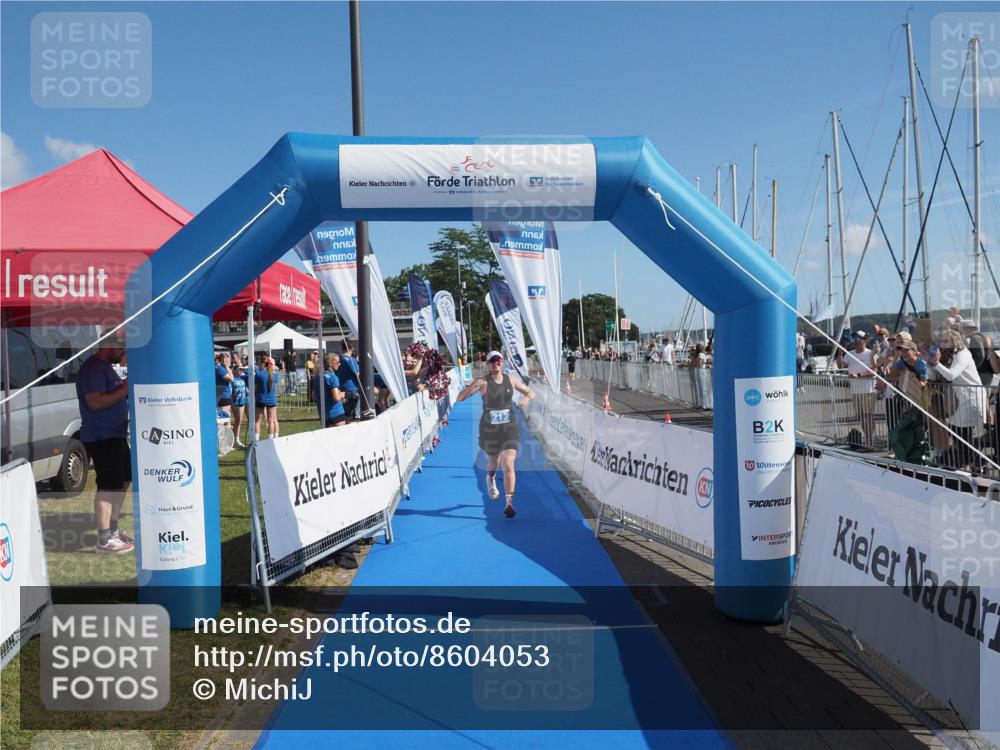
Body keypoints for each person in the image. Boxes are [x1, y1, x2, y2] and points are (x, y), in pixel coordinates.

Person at [456, 351, 534, 519]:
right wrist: (465, 391)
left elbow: (530, 392)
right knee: (493, 462)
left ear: (502, 362)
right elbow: (461, 397)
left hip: (509, 427)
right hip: (489, 429)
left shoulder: (511, 380)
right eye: (491, 361)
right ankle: (490, 478)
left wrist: (525, 400)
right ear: (487, 364)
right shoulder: (482, 382)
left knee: (508, 464)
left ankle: (509, 503)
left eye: (498, 360)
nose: (495, 363)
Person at [76, 341, 133, 554]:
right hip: (102, 436)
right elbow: (95, 402)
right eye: (122, 348)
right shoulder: (93, 369)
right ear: (110, 345)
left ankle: (113, 530)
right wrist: (125, 387)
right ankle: (104, 538)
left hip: (115, 435)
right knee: (108, 485)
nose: (123, 353)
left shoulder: (105, 367)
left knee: (124, 479)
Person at [928, 329, 987, 470]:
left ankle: (969, 465)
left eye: (946, 341)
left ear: (955, 341)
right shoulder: (950, 355)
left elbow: (951, 375)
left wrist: (936, 363)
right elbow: (937, 375)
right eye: (942, 341)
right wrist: (930, 363)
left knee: (964, 434)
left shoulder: (963, 354)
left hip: (970, 397)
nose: (943, 343)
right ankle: (972, 464)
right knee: (956, 432)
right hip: (959, 398)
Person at [844, 331, 877, 446]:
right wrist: (839, 354)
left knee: (868, 415)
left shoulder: (870, 354)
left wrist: (858, 376)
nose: (857, 342)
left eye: (860, 340)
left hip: (868, 390)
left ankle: (870, 440)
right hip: (855, 390)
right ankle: (868, 439)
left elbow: (874, 371)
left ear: (865, 341)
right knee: (862, 416)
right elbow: (840, 365)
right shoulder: (850, 354)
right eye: (855, 340)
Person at [318, 353, 348, 427]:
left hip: (323, 414)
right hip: (336, 413)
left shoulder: (317, 377)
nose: (340, 364)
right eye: (338, 362)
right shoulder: (333, 377)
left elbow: (314, 396)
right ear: (330, 363)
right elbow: (336, 397)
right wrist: (343, 394)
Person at [254, 354, 279, 440]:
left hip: (260, 399)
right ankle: (271, 440)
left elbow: (255, 388)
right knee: (271, 421)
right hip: (271, 400)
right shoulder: (274, 375)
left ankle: (256, 441)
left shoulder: (259, 374)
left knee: (257, 421)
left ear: (262, 363)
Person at [338, 342, 362, 419]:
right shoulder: (351, 360)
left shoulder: (338, 359)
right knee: (354, 416)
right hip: (352, 390)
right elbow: (357, 374)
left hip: (341, 390)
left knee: (345, 415)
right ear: (351, 348)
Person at [230, 362, 248, 447]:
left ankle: (236, 439)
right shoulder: (232, 380)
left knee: (239, 421)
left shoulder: (242, 379)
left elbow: (246, 391)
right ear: (235, 370)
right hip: (235, 403)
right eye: (240, 369)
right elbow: (230, 393)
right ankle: (232, 440)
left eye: (242, 370)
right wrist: (231, 404)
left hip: (242, 403)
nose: (241, 371)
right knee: (234, 422)